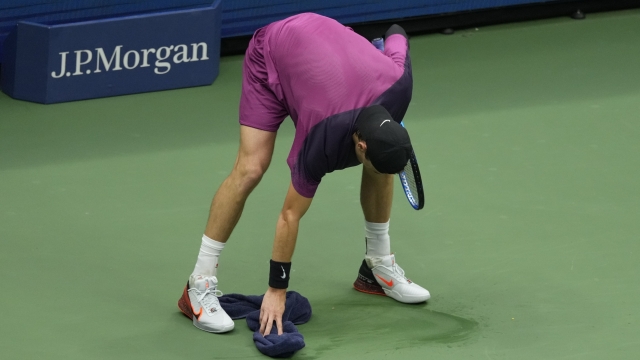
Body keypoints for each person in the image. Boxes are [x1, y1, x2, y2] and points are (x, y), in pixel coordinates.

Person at [177, 12, 430, 336]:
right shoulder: (320, 137)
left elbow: (396, 30)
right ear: (361, 146)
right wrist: (276, 291)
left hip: (326, 47)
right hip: (273, 52)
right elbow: (289, 216)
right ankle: (197, 287)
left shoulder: (400, 84)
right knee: (251, 168)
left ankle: (376, 268)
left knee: (384, 167)